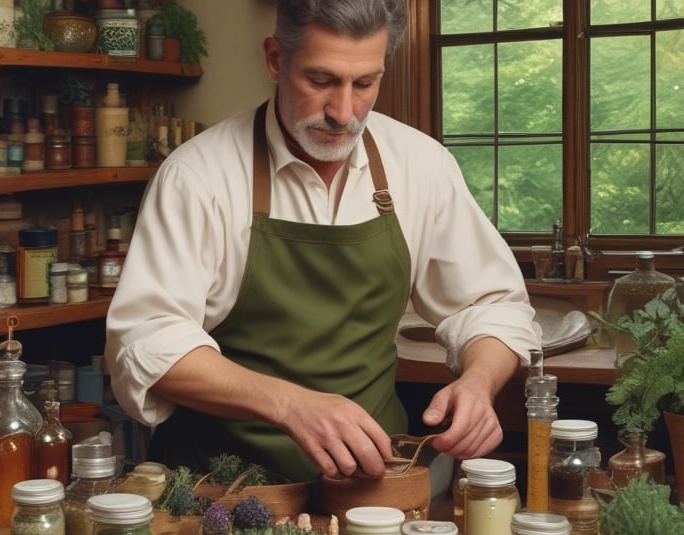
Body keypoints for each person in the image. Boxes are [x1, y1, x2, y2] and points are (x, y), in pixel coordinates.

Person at [104, 0, 541, 483]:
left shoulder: (421, 165)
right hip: (220, 492)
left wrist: (479, 384)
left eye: (365, 83)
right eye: (321, 81)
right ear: (275, 59)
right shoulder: (198, 176)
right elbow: (145, 342)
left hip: (374, 487)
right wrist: (290, 404)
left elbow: (492, 304)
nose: (343, 112)